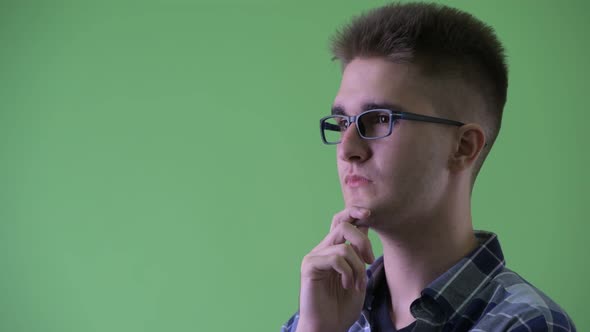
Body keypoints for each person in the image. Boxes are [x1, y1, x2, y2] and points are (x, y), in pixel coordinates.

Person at [281, 2, 576, 332]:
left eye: (379, 119)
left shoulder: (526, 323)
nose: (347, 148)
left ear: (463, 148)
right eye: (341, 122)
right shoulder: (317, 315)